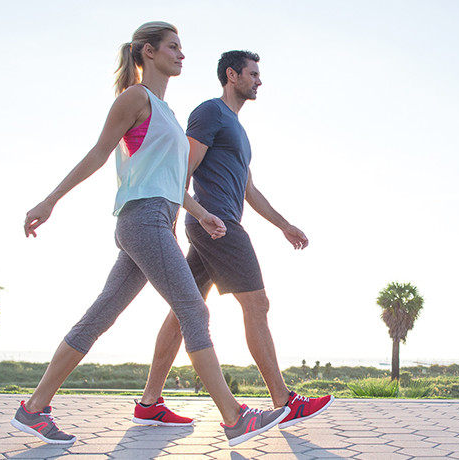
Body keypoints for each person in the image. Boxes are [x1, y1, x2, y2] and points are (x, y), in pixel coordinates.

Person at [11, 23, 288, 447]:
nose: (181, 55)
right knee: (194, 310)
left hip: (159, 220)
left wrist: (203, 213)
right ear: (147, 52)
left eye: (182, 48)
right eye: (173, 47)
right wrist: (50, 200)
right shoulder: (136, 98)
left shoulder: (169, 114)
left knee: (100, 317)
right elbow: (98, 154)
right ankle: (235, 417)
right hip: (142, 220)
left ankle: (32, 408)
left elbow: (172, 183)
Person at [133, 50, 332, 429]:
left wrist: (284, 225)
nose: (259, 80)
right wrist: (189, 216)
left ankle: (149, 403)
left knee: (183, 311)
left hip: (215, 224)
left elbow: (249, 190)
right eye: (253, 74)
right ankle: (284, 400)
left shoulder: (237, 128)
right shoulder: (210, 113)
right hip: (217, 224)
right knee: (257, 304)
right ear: (232, 75)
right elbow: (183, 167)